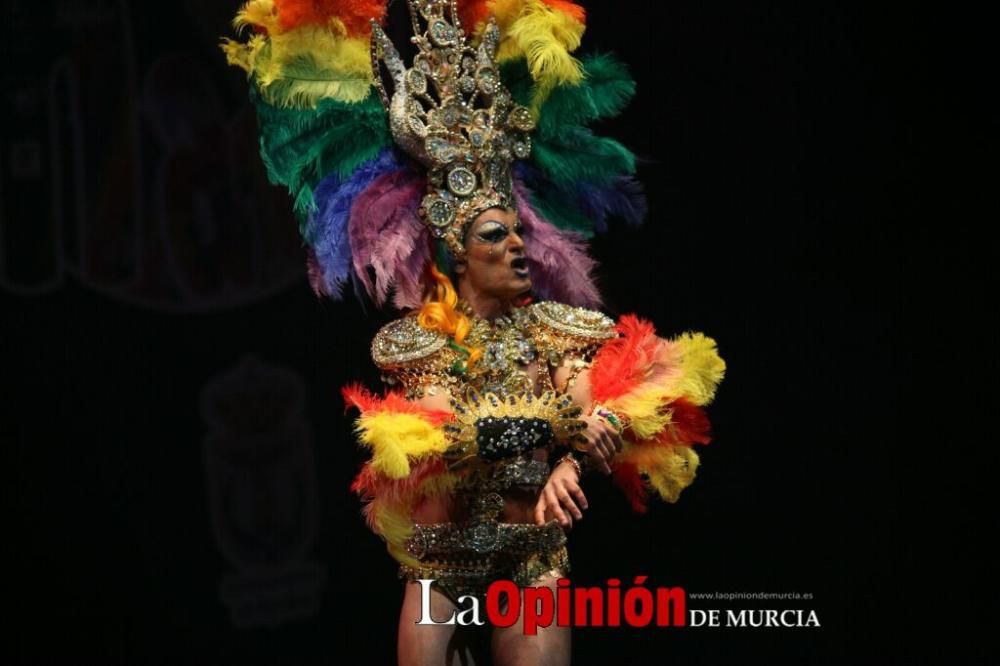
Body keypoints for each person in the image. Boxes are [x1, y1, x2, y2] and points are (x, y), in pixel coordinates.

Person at [224, 2, 725, 664]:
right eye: (496, 235)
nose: (519, 247)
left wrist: (580, 452)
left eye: (519, 232)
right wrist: (560, 433)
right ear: (458, 252)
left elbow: (593, 409)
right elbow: (440, 436)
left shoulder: (555, 332)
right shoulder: (421, 346)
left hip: (531, 557)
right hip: (442, 565)